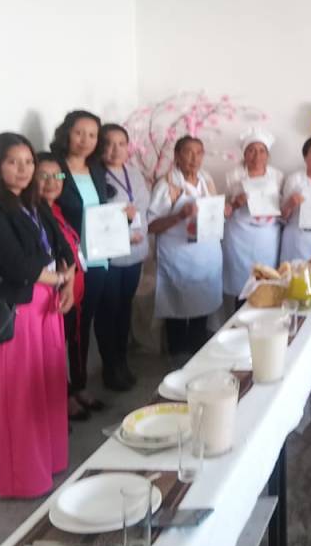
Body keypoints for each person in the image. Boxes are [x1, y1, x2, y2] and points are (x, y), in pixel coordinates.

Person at [0, 133, 75, 498]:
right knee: (18, 393)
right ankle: (21, 480)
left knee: (45, 386)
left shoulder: (34, 204)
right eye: (13, 162)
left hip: (47, 303)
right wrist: (56, 278)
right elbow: (15, 264)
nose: (23, 169)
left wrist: (68, 282)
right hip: (14, 309)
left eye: (28, 162)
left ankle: (50, 462)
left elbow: (62, 248)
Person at [50, 110, 123, 396]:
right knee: (74, 329)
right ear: (66, 133)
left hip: (101, 257)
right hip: (73, 263)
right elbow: (51, 208)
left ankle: (83, 386)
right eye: (79, 133)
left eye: (92, 135)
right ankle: (72, 391)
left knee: (93, 323)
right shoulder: (57, 168)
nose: (85, 140)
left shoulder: (96, 169)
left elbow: (101, 211)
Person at [147, 136, 227, 362]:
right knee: (177, 309)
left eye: (199, 153)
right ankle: (178, 360)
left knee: (203, 306)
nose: (194, 158)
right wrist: (179, 215)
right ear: (177, 156)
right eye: (188, 152)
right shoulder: (167, 185)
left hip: (207, 256)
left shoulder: (206, 180)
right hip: (179, 259)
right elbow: (151, 225)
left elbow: (213, 214)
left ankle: (198, 357)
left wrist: (224, 211)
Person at [35, 152, 90, 422]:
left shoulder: (57, 209)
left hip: (72, 290)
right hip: (53, 295)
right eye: (43, 176)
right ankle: (64, 399)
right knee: (55, 352)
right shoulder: (35, 213)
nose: (52, 182)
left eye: (57, 175)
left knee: (73, 343)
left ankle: (75, 391)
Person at [98, 124, 151, 386]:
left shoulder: (134, 172)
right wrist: (124, 230)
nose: (115, 149)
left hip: (135, 253)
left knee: (124, 309)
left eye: (121, 143)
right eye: (109, 143)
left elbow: (142, 207)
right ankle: (110, 368)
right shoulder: (97, 175)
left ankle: (122, 362)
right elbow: (99, 218)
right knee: (108, 311)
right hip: (111, 255)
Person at [224, 127, 284, 300]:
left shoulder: (278, 176)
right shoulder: (232, 176)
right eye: (251, 150)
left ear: (268, 155)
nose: (257, 156)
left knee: (265, 281)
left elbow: (281, 205)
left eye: (261, 151)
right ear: (244, 154)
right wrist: (235, 203)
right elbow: (224, 209)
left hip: (267, 237)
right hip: (239, 236)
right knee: (241, 284)